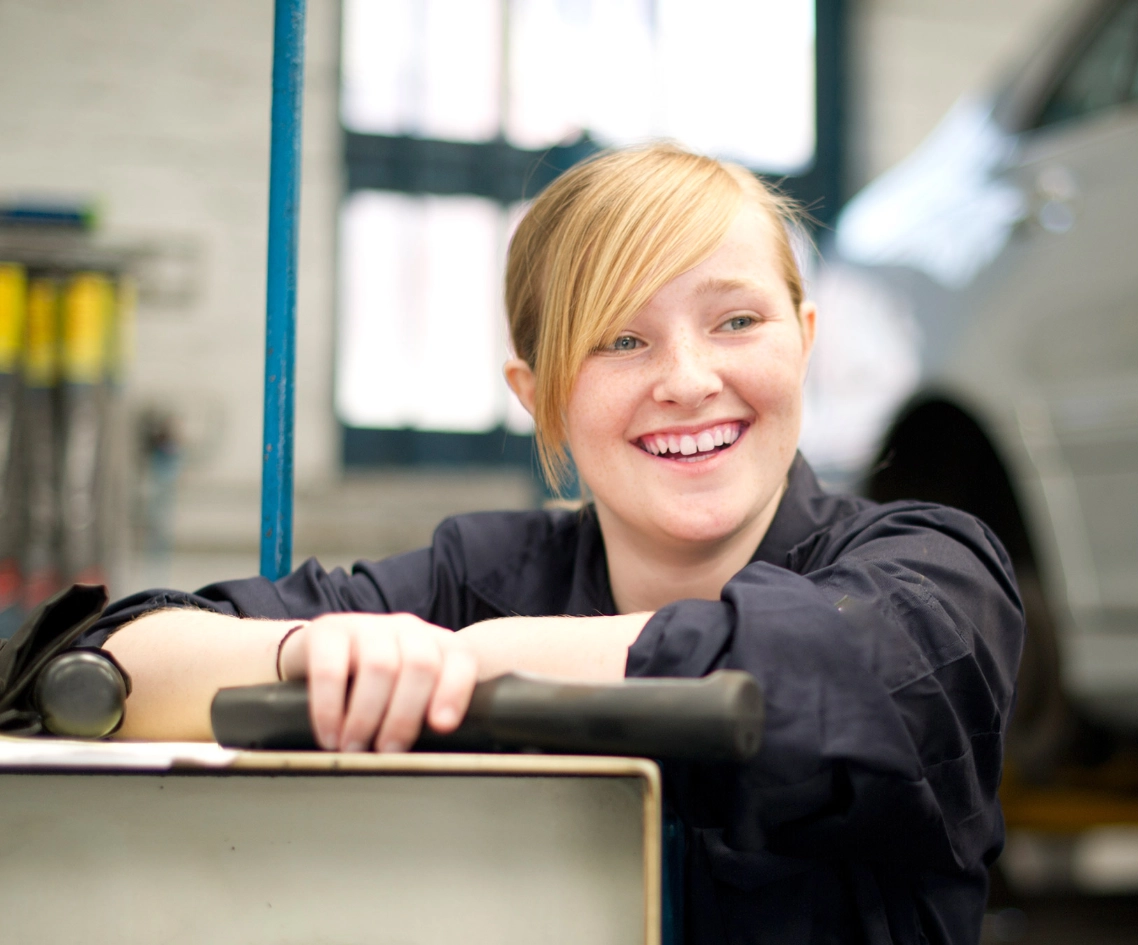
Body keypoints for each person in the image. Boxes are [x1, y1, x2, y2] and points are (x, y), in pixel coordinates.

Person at [84, 144, 1024, 945]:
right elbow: (99, 663)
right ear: (537, 397)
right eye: (621, 340)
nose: (688, 380)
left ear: (804, 340)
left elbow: (825, 665)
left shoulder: (936, 569)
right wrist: (307, 649)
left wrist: (476, 661)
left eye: (737, 320)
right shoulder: (479, 577)